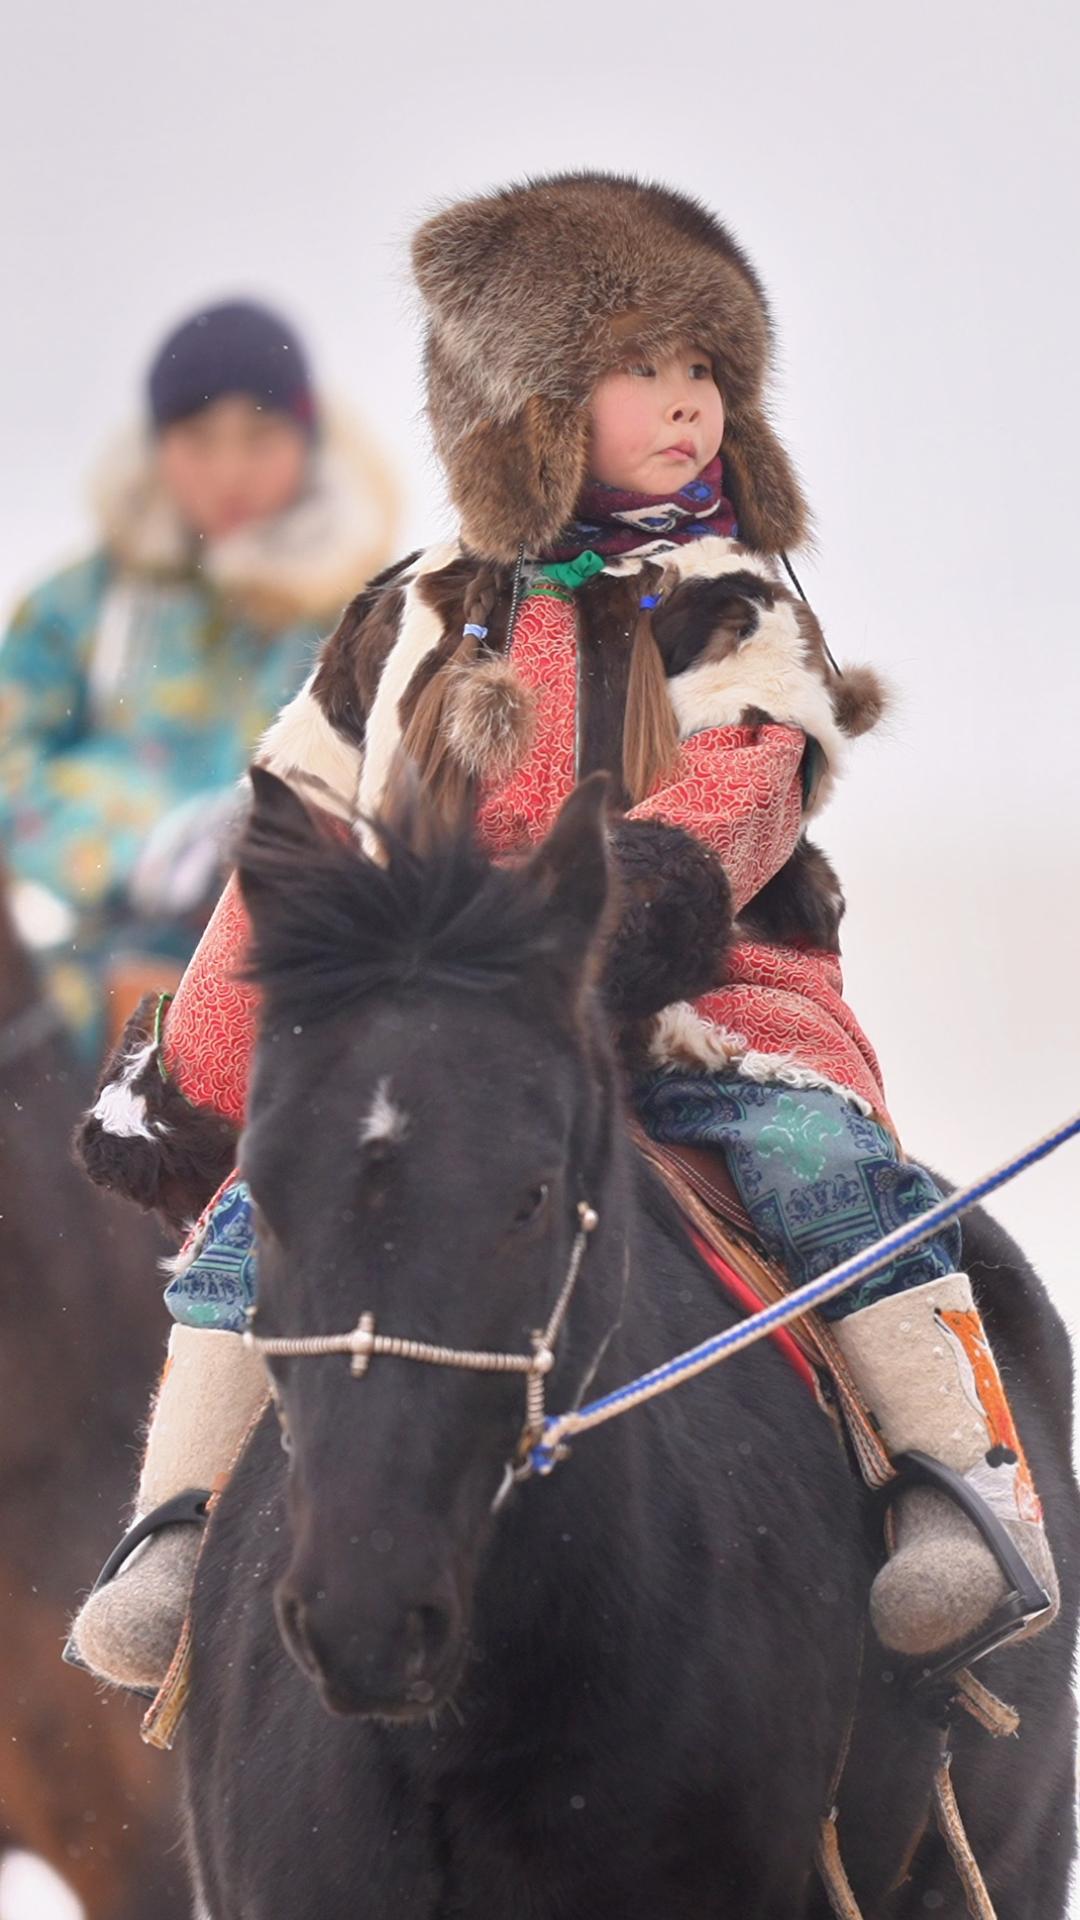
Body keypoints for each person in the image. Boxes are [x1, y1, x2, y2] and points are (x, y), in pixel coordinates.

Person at [69, 174, 1058, 1697]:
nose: (689, 404)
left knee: (823, 1171)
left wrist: (623, 916)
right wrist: (194, 1090)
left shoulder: (729, 607)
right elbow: (293, 848)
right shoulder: (402, 622)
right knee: (258, 1224)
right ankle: (180, 1524)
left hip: (698, 1009)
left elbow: (746, 790)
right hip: (443, 1042)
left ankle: (954, 1481)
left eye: (708, 372)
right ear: (527, 404)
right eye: (644, 369)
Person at [0, 298, 398, 1056]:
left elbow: (411, 781)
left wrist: (269, 840)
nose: (229, 470)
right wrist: (147, 844)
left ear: (308, 440)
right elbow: (8, 768)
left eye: (258, 436)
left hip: (311, 979)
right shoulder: (76, 608)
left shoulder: (372, 611)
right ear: (156, 446)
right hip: (92, 989)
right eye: (198, 438)